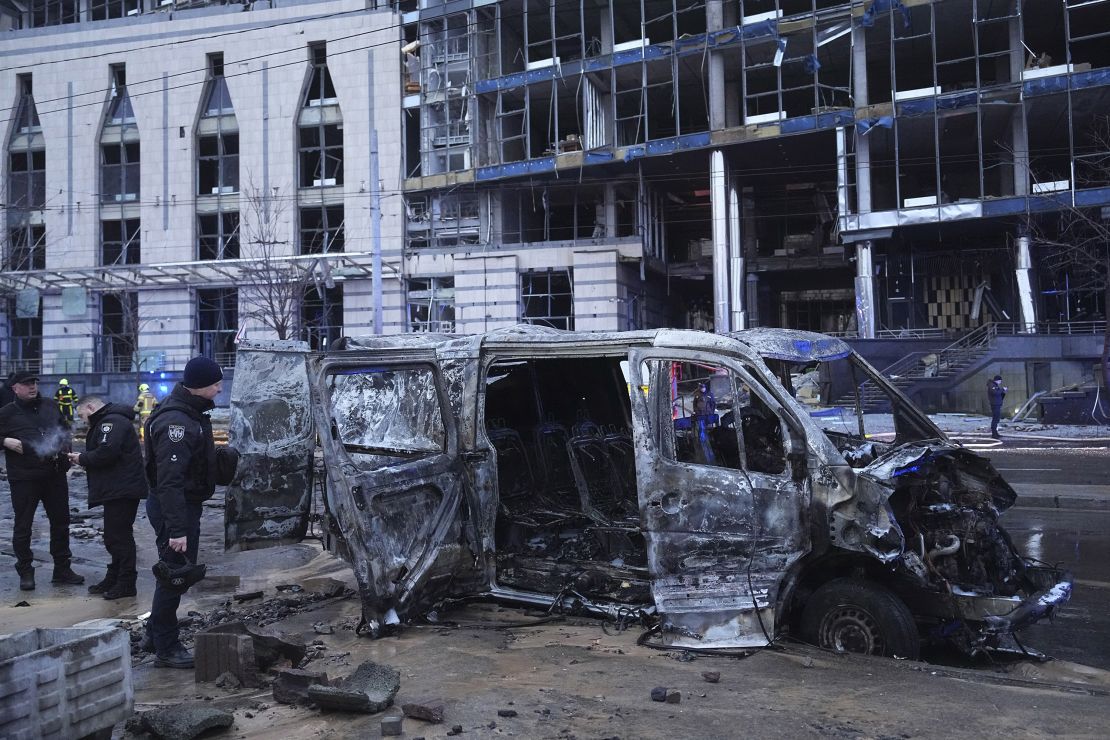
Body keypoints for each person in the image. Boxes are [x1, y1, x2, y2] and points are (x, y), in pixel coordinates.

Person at [143, 356, 238, 669]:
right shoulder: (178, 423)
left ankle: (153, 633)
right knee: (175, 576)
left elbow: (190, 465)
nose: (220, 388)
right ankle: (166, 648)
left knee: (174, 573)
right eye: (216, 383)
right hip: (176, 508)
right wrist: (177, 529)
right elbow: (169, 482)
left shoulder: (190, 412)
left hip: (182, 506)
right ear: (200, 386)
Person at [0, 370, 83, 591]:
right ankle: (25, 570)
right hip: (24, 478)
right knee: (23, 525)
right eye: (26, 384)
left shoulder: (49, 405)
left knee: (61, 522)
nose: (32, 386)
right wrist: (4, 440)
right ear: (15, 388)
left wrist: (67, 459)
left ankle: (62, 569)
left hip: (54, 475)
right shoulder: (7, 413)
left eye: (34, 382)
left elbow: (64, 431)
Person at [68, 395, 148, 600]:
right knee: (114, 536)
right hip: (118, 487)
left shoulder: (111, 422)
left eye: (82, 414)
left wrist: (81, 458)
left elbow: (107, 452)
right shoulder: (112, 420)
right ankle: (114, 576)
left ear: (90, 406)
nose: (82, 419)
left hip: (122, 488)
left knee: (118, 537)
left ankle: (126, 582)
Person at [988, 374, 1007, 439]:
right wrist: (1002, 389)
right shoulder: (992, 385)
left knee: (997, 419)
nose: (1000, 382)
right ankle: (994, 434)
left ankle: (995, 433)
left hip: (997, 404)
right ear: (997, 380)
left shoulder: (995, 386)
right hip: (995, 404)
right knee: (995, 419)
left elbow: (999, 395)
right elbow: (995, 393)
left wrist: (1003, 392)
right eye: (1000, 381)